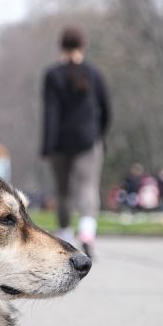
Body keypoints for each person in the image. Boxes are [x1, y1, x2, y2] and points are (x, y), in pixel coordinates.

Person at [41, 26, 111, 257]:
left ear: (61, 46)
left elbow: (50, 113)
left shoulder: (53, 75)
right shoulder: (94, 74)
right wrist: (99, 134)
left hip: (60, 142)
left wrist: (47, 146)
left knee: (63, 192)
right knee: (88, 187)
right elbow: (107, 110)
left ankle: (65, 238)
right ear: (83, 46)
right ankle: (87, 232)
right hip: (88, 141)